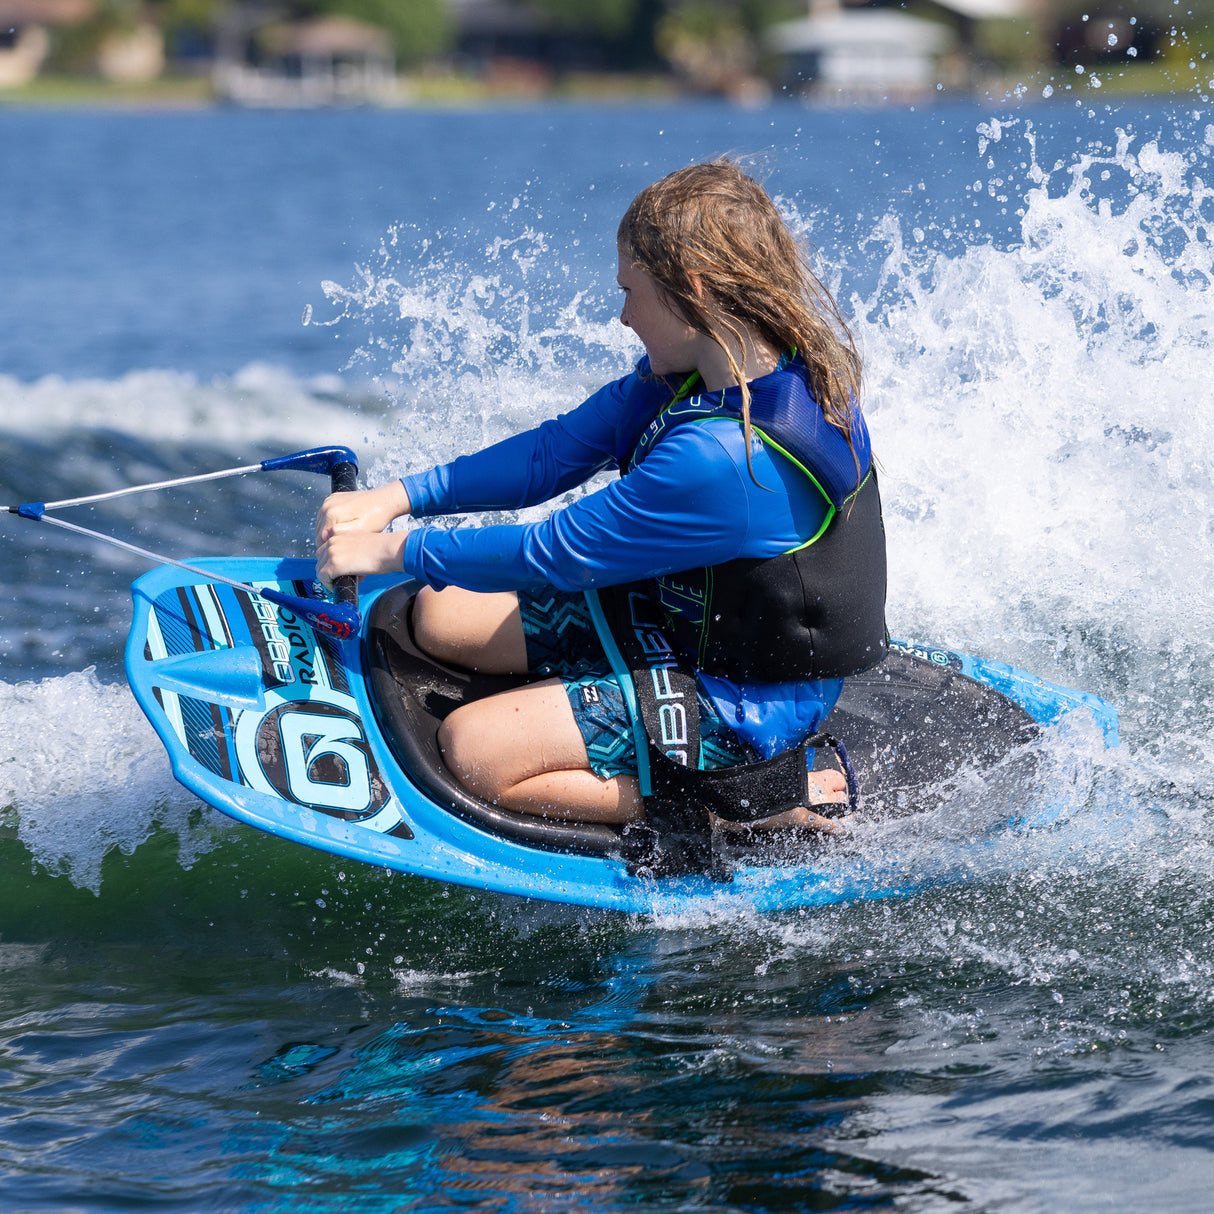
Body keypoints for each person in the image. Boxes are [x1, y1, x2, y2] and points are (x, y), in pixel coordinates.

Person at [315, 160, 887, 838]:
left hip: (745, 699)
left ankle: (752, 801)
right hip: (684, 617)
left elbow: (553, 553)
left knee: (474, 752)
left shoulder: (725, 459)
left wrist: (390, 551)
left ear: (692, 291)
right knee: (440, 615)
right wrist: (396, 497)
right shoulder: (711, 369)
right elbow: (553, 453)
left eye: (631, 293)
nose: (623, 317)